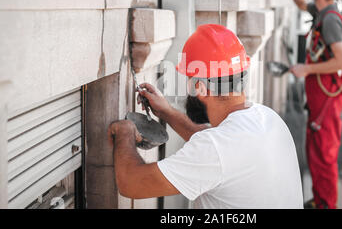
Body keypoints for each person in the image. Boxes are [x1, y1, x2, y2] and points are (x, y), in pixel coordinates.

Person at [108, 24, 303, 209]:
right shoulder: (267, 117)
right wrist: (167, 112)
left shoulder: (216, 149)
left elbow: (131, 183)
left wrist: (125, 131)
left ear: (200, 87)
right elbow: (218, 148)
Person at [276, 0, 342, 209]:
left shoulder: (329, 20)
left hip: (327, 100)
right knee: (316, 153)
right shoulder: (321, 12)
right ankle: (319, 201)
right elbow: (300, 3)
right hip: (319, 98)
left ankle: (327, 205)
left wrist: (306, 69)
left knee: (324, 157)